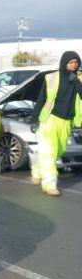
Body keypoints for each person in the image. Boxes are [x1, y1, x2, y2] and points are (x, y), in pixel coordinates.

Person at [30, 51, 82, 196]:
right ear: (64, 62)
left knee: (57, 152)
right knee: (49, 152)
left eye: (76, 62)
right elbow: (41, 99)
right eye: (71, 62)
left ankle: (37, 170)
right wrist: (34, 119)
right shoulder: (52, 78)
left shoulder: (79, 78)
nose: (74, 65)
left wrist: (76, 82)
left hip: (66, 122)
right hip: (49, 120)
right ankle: (49, 184)